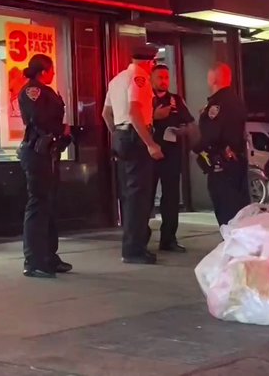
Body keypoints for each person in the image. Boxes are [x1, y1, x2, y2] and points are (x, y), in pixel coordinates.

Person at [102, 43, 163, 265]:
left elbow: (106, 113)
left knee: (129, 194)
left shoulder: (116, 79)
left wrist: (118, 133)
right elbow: (134, 111)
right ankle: (134, 250)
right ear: (150, 61)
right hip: (136, 137)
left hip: (121, 135)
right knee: (139, 197)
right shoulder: (140, 78)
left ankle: (132, 245)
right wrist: (150, 143)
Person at [16, 53, 72, 278]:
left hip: (48, 153)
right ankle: (34, 260)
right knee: (38, 205)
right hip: (37, 152)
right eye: (51, 70)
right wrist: (61, 129)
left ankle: (49, 255)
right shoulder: (33, 90)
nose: (54, 74)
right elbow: (39, 119)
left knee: (49, 205)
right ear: (43, 71)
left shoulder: (45, 90)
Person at [194, 62, 250, 225]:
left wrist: (196, 147)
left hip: (222, 165)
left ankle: (230, 242)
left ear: (213, 79)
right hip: (236, 162)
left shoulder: (217, 104)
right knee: (238, 207)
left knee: (225, 208)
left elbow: (212, 134)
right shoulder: (236, 100)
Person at [150, 63, 193, 252]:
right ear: (151, 79)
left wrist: (182, 130)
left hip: (172, 154)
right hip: (149, 154)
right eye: (160, 77)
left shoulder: (176, 100)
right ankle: (141, 239)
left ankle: (169, 239)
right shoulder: (145, 98)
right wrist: (155, 116)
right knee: (146, 197)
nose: (164, 81)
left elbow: (190, 123)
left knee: (171, 197)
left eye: (166, 77)